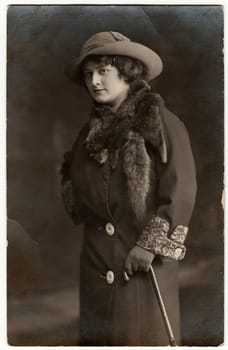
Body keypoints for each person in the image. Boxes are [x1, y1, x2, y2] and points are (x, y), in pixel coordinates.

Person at [60, 31, 197, 346]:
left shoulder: (160, 123)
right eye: (88, 74)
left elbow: (182, 189)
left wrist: (149, 245)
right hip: (96, 267)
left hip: (141, 265)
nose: (94, 81)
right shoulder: (87, 135)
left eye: (103, 71)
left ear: (126, 71)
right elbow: (79, 195)